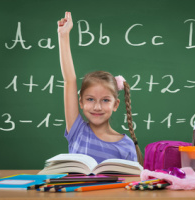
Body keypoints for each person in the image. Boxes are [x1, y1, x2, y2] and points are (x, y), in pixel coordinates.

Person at [57, 11, 143, 165]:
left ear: (115, 104)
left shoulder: (126, 146)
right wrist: (63, 36)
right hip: (76, 190)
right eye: (90, 99)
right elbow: (69, 80)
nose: (97, 107)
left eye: (105, 100)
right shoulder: (77, 131)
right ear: (81, 102)